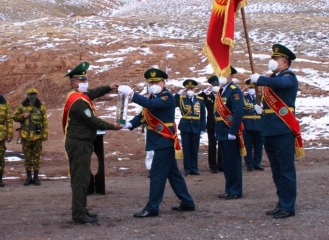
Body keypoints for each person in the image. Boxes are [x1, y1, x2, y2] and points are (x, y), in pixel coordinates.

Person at [119, 68, 196, 218]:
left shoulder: (167, 97)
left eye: (157, 81)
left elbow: (148, 104)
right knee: (173, 175)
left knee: (156, 175)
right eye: (151, 82)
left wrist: (131, 94)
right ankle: (187, 202)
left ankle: (152, 207)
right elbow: (144, 114)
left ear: (164, 82)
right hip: (159, 141)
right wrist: (129, 124)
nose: (153, 84)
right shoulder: (153, 97)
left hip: (164, 141)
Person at [62, 61, 122, 225]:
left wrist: (109, 86)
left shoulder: (77, 96)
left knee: (82, 178)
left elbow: (93, 93)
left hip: (80, 142)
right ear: (73, 83)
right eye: (81, 81)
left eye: (85, 80)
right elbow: (93, 121)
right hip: (79, 144)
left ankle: (81, 210)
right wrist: (112, 126)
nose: (85, 83)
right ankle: (78, 215)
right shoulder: (79, 102)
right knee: (80, 180)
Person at [250, 44, 303, 219]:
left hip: (282, 130)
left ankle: (288, 206)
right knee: (276, 170)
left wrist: (261, 79)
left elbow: (280, 83)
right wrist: (262, 109)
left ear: (285, 62)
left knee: (285, 170)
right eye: (272, 58)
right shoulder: (272, 78)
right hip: (269, 130)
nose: (272, 62)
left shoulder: (289, 77)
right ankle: (281, 204)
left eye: (276, 59)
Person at [215, 66, 245, 200]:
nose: (221, 76)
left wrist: (233, 131)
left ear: (231, 76)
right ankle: (229, 189)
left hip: (230, 132)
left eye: (225, 74)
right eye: (220, 74)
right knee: (226, 163)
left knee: (233, 162)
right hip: (221, 131)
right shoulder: (222, 91)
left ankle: (236, 190)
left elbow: (238, 112)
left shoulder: (235, 91)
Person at [13, 87, 49, 186]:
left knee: (36, 158)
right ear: (27, 96)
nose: (32, 96)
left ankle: (36, 178)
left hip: (37, 136)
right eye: (30, 95)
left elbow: (45, 122)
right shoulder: (22, 106)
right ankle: (29, 177)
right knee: (27, 158)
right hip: (26, 136)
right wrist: (22, 116)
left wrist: (45, 134)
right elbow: (15, 117)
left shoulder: (41, 107)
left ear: (36, 95)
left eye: (34, 95)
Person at [174, 79, 206, 176]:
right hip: (185, 126)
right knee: (187, 148)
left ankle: (194, 168)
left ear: (195, 89)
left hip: (196, 126)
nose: (190, 90)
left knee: (195, 148)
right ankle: (187, 169)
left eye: (192, 88)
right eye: (188, 88)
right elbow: (173, 103)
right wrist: (178, 94)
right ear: (185, 90)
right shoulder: (181, 99)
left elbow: (203, 114)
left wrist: (202, 128)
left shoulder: (200, 100)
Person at [198, 75, 223, 173]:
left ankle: (221, 165)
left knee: (221, 145)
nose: (216, 86)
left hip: (221, 123)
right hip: (212, 124)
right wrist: (205, 91)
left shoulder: (222, 96)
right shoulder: (208, 97)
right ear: (211, 86)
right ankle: (213, 166)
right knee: (212, 145)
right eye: (214, 84)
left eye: (217, 84)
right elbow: (198, 97)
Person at [242, 79, 264, 172]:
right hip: (247, 124)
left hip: (259, 124)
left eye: (253, 87)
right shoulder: (244, 98)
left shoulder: (260, 98)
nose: (252, 89)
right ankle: (249, 164)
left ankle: (257, 163)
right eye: (250, 87)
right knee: (248, 146)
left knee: (258, 146)